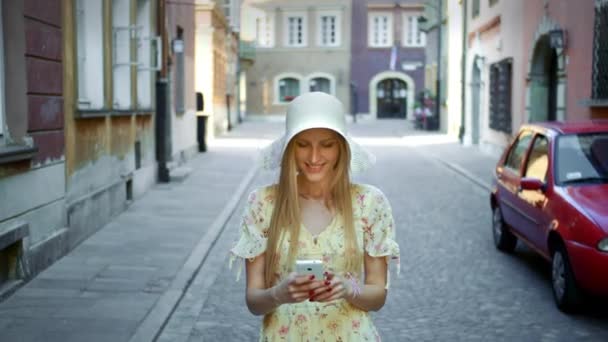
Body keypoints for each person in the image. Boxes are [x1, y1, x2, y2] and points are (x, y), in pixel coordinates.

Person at [229, 92, 400, 340]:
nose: (314, 157)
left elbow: (377, 297)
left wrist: (349, 289)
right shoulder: (263, 203)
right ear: (289, 147)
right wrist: (278, 294)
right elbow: (254, 301)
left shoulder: (369, 202)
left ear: (341, 148)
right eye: (303, 144)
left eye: (327, 145)